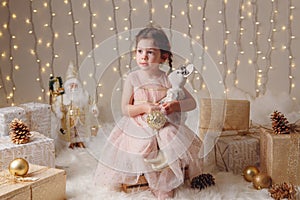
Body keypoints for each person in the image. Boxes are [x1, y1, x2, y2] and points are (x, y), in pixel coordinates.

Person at [94, 26, 203, 199]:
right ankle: (149, 179)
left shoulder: (168, 78)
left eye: (150, 52)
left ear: (163, 56)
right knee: (143, 143)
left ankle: (166, 182)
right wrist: (144, 108)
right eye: (139, 51)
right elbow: (125, 109)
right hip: (139, 123)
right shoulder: (133, 78)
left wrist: (174, 106)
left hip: (165, 122)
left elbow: (192, 103)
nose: (143, 56)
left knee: (170, 139)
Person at [53, 62, 92, 149]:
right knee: (70, 131)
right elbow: (57, 106)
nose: (73, 88)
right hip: (69, 119)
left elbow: (90, 103)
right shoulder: (63, 98)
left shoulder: (83, 96)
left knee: (80, 131)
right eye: (71, 86)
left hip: (81, 118)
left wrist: (93, 109)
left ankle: (80, 141)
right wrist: (59, 111)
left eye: (75, 85)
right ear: (67, 87)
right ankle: (71, 143)